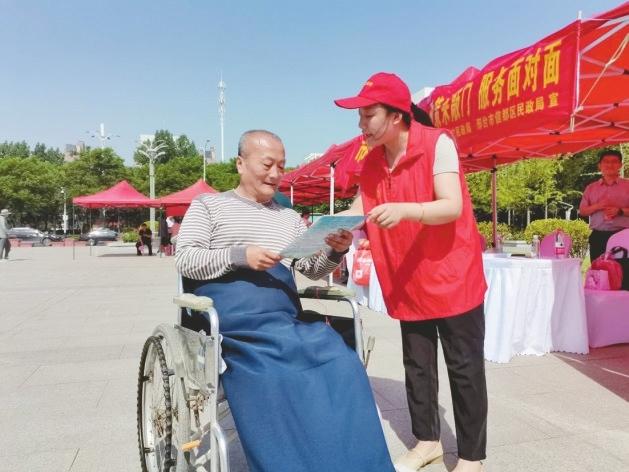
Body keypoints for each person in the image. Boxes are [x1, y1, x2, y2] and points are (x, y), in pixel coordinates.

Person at [175, 129, 394, 472]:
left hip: (283, 318)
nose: (276, 174)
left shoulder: (289, 218)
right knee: (271, 374)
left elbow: (311, 269)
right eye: (267, 164)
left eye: (281, 166)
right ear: (240, 163)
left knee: (340, 360)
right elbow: (186, 259)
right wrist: (240, 255)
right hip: (234, 322)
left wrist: (335, 251)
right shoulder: (209, 206)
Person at [335, 72, 488, 472]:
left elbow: (451, 205)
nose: (361, 124)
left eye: (368, 115)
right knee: (417, 365)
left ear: (397, 115)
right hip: (408, 276)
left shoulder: (438, 144)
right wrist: (330, 228)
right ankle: (427, 442)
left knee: (464, 367)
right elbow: (360, 209)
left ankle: (471, 456)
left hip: (452, 274)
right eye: (359, 116)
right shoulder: (372, 162)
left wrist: (406, 210)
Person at [578, 149, 629, 261]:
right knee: (598, 270)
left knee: (623, 270)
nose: (610, 165)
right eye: (606, 161)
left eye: (614, 161)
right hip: (598, 236)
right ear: (599, 165)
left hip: (623, 236)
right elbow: (582, 211)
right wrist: (597, 206)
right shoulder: (591, 188)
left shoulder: (627, 186)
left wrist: (620, 211)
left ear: (620, 165)